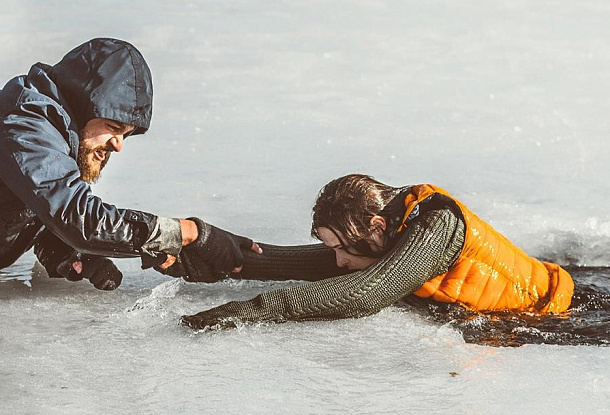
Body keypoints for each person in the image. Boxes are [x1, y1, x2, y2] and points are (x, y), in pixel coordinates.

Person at [0, 38, 260, 290]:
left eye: (126, 134)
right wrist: (186, 234)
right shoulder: (27, 122)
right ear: (82, 104)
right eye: (113, 127)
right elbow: (79, 219)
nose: (118, 145)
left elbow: (41, 205)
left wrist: (63, 251)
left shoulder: (55, 133)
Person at [181, 174, 575, 330]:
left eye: (343, 247)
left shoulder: (437, 227)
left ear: (376, 226)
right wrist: (217, 252)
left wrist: (250, 310)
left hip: (561, 311)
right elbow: (311, 262)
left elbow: (366, 291)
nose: (339, 260)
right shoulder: (387, 233)